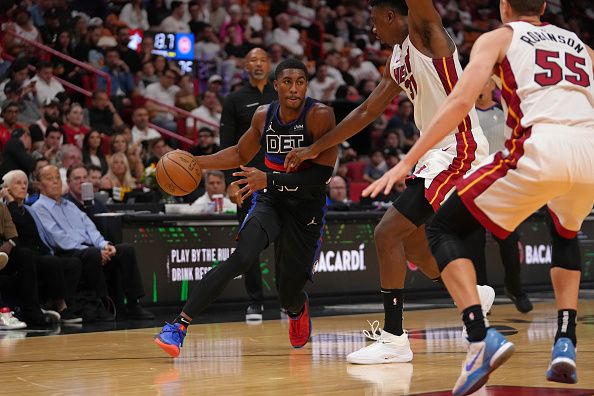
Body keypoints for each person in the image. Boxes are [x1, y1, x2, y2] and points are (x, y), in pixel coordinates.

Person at [364, 0, 594, 393]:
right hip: (587, 153)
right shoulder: (580, 45)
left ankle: (478, 335)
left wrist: (407, 162)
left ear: (505, 6)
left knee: (442, 231)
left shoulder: (498, 37)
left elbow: (459, 102)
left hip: (537, 149)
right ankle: (565, 341)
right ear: (542, 5)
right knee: (565, 234)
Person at [284, 0, 492, 365]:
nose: (372, 27)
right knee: (413, 247)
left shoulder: (428, 35)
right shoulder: (397, 60)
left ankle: (395, 337)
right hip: (434, 153)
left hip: (458, 147)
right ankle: (472, 293)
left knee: (386, 232)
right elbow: (366, 111)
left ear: (393, 15)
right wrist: (313, 148)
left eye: (375, 19)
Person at [154, 59, 338, 357]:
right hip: (271, 202)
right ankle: (178, 326)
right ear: (275, 85)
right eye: (287, 81)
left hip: (307, 209)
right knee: (242, 258)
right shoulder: (263, 116)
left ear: (307, 85)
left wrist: (269, 178)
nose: (294, 88)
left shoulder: (319, 116)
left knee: (288, 294)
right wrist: (197, 164)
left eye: (300, 81)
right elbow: (240, 153)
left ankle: (297, 309)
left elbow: (322, 175)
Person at [33, 165, 154, 321]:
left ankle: (133, 304)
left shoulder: (69, 205)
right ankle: (101, 304)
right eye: (50, 179)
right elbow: (58, 238)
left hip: (88, 249)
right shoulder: (39, 207)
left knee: (125, 250)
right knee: (90, 253)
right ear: (38, 184)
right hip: (65, 252)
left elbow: (90, 229)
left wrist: (105, 245)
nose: (56, 182)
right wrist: (96, 252)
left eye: (57, 177)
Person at [219, 47, 277, 321]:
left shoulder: (280, 95)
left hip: (283, 179)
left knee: (289, 243)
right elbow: (227, 145)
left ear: (270, 64)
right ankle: (255, 301)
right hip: (248, 182)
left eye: (262, 59)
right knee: (250, 246)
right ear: (245, 66)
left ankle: (291, 300)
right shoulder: (234, 100)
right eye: (252, 60)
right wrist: (231, 183)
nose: (258, 64)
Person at [474, 78, 532, 313]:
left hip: (501, 184)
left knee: (509, 241)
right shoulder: (465, 115)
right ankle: (481, 296)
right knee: (474, 243)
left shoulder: (503, 113)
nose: (478, 86)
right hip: (474, 184)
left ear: (491, 85)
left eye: (484, 82)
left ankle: (514, 288)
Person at [1, 170, 82, 323]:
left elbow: (41, 236)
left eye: (25, 183)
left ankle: (56, 305)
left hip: (37, 254)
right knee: (48, 261)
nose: (23, 186)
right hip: (18, 257)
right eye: (18, 183)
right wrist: (11, 201)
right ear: (6, 188)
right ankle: (60, 307)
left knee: (73, 263)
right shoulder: (5, 208)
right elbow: (17, 226)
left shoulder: (30, 210)